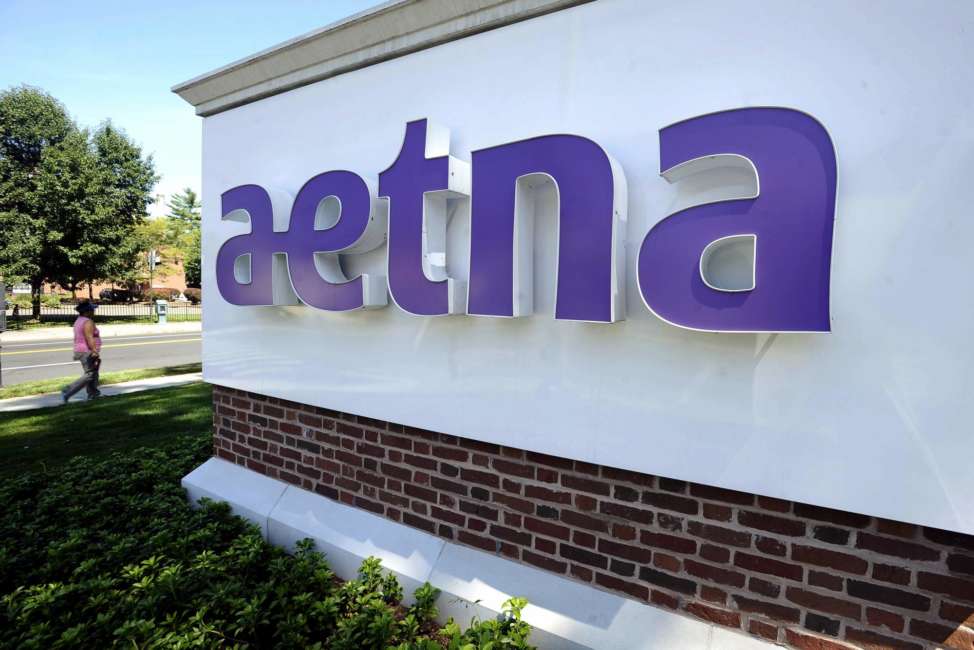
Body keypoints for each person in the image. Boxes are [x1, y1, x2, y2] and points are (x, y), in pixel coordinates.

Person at [61, 300, 102, 403]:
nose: (94, 311)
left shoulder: (79, 320)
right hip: (87, 351)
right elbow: (89, 337)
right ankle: (68, 389)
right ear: (87, 311)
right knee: (90, 374)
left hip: (81, 350)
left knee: (94, 374)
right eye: (92, 309)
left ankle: (93, 394)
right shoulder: (88, 322)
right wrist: (94, 351)